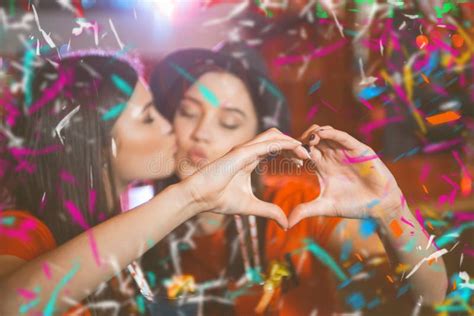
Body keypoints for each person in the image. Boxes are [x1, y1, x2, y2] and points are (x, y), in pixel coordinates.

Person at [0, 52, 308, 315]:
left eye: (228, 122)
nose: (169, 125)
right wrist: (191, 196)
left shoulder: (127, 231)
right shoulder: (18, 229)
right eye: (149, 117)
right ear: (94, 142)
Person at [147, 46, 448, 315]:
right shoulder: (145, 227)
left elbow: (430, 295)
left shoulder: (298, 204)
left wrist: (392, 212)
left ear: (258, 140)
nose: (202, 132)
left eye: (229, 122)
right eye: (187, 113)